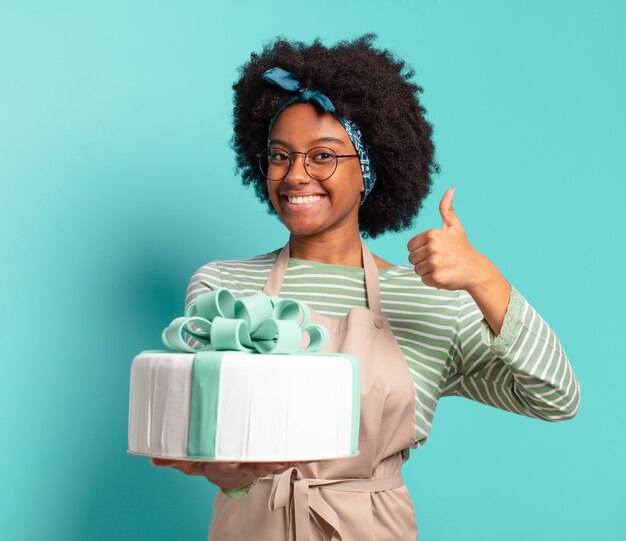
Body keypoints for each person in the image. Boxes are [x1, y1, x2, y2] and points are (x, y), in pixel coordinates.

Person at [152, 34, 580, 540]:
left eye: (323, 156)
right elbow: (210, 429)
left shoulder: (429, 301)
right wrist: (228, 474)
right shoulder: (222, 286)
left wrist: (483, 278)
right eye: (280, 155)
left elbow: (556, 397)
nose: (295, 176)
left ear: (368, 171)